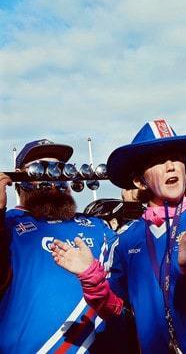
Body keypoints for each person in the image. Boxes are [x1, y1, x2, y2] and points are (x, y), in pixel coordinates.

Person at [51, 119, 186, 353]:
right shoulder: (125, 241)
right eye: (158, 160)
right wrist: (92, 279)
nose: (171, 166)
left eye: (176, 158)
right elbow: (117, 313)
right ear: (139, 181)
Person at [0, 139, 119, 353]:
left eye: (59, 168)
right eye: (41, 168)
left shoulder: (96, 226)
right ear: (21, 178)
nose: (52, 176)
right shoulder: (8, 224)